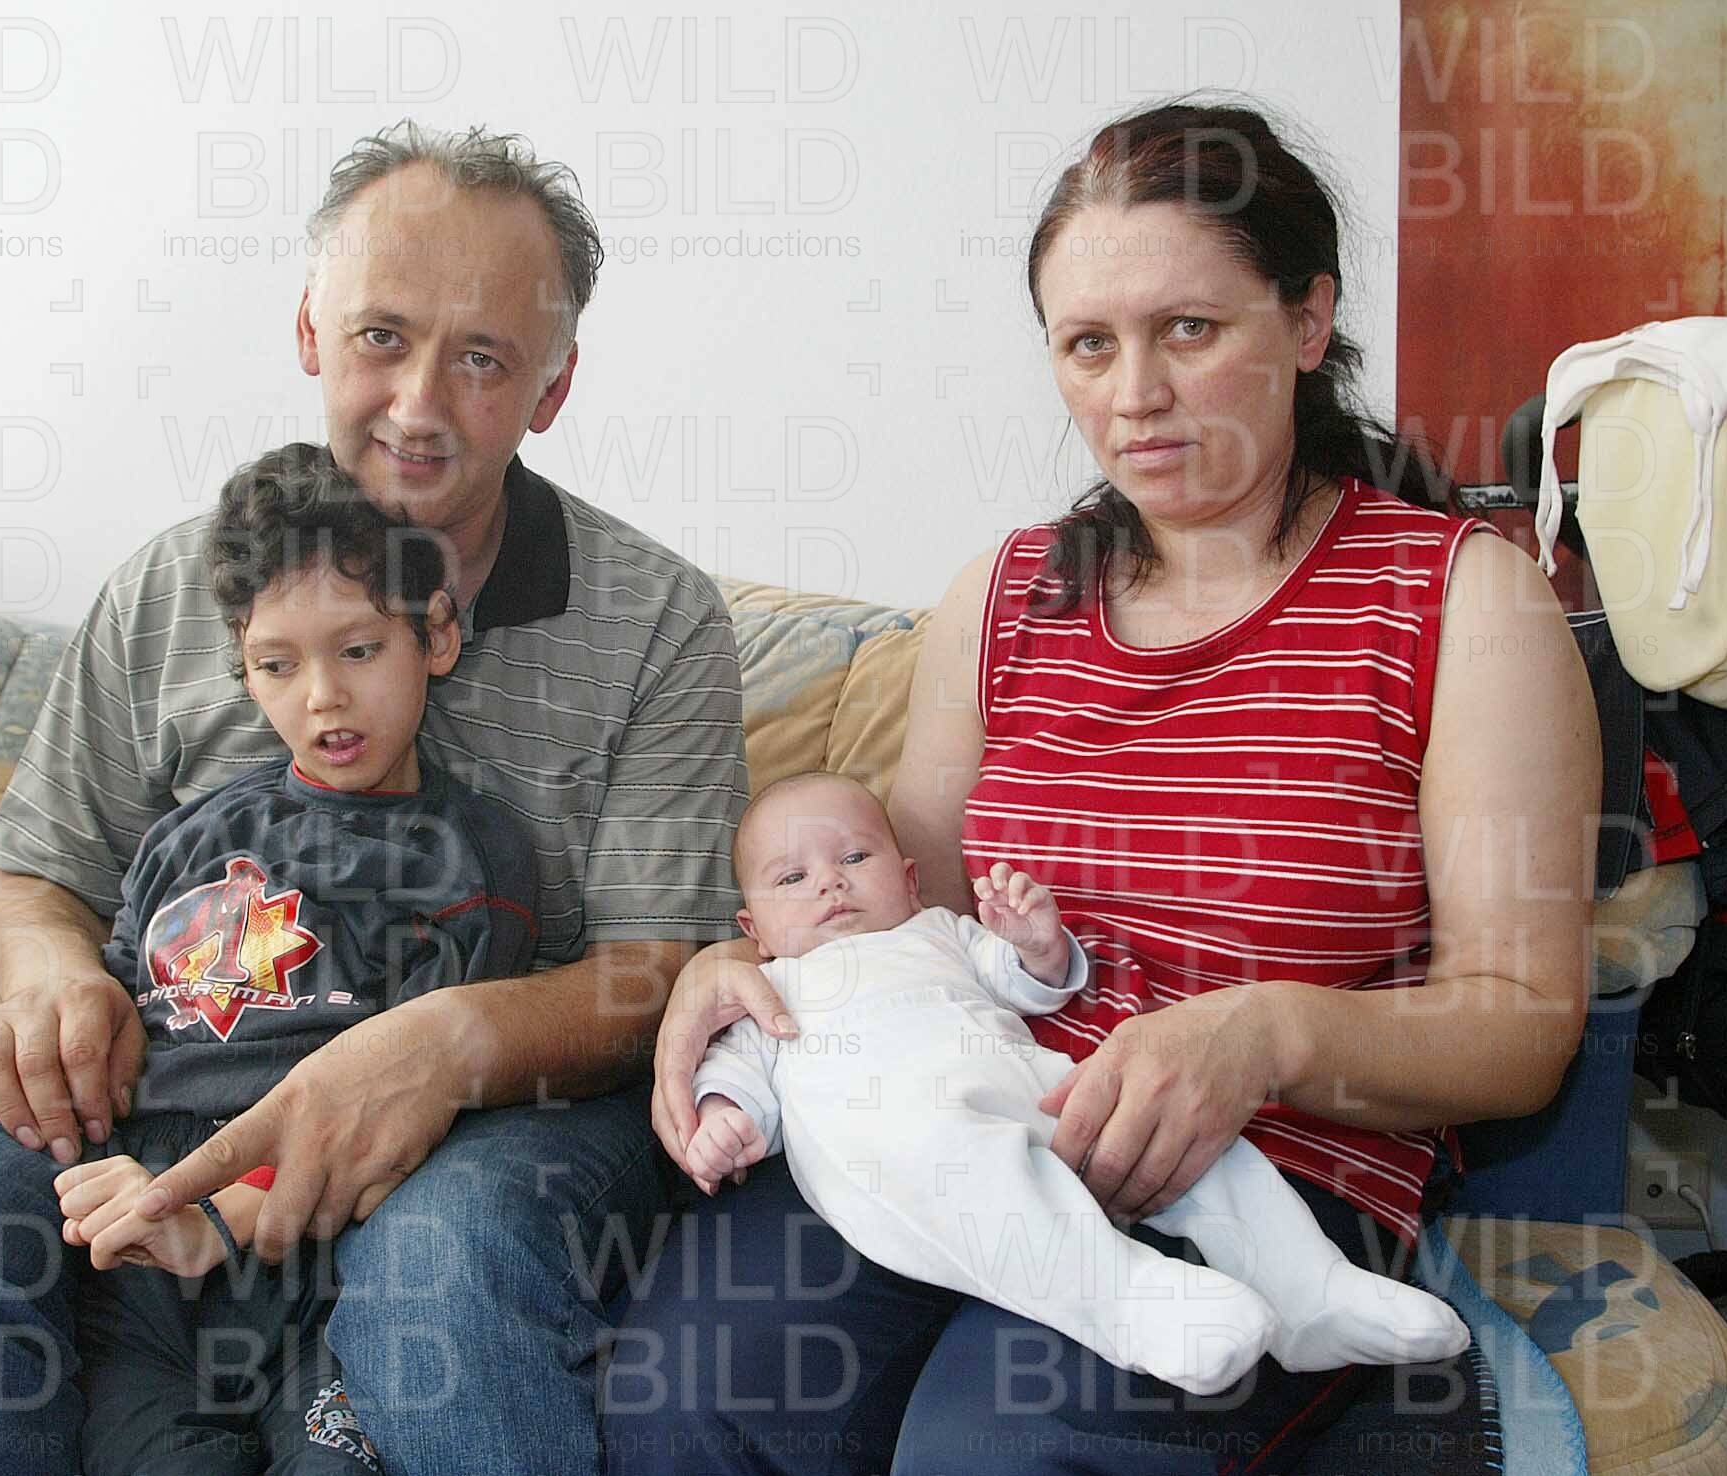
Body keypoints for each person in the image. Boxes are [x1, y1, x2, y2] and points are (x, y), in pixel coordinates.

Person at [614, 100, 1600, 1474]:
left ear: (1306, 321)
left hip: (1268, 1172)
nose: (1133, 394)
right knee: (690, 1401)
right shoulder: (1004, 596)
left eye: (1187, 329)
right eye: (1088, 344)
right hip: (961, 1119)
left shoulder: (1458, 602)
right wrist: (736, 962)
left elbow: (1520, 1023)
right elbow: (898, 896)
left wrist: (1261, 1035)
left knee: (994, 1455)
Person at [0, 122, 749, 1476]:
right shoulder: (170, 589)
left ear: (553, 386)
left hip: (508, 1119)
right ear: (307, 332)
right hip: (174, 1089)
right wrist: (57, 984)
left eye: (482, 358)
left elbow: (657, 975)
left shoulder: (657, 624)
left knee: (440, 1267)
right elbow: (40, 879)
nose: (417, 403)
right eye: (380, 337)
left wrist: (440, 1043)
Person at [0, 447, 545, 1473]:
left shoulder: (469, 860)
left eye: (359, 650)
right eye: (278, 664)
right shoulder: (190, 839)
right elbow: (62, 1057)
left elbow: (416, 1114)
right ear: (241, 665)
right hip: (140, 1276)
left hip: (316, 1270)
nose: (323, 697)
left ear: (437, 636)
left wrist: (219, 1219)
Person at [682, 772, 1468, 1399]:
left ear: (911, 880)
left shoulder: (939, 932)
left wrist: (1035, 943)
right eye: (792, 877)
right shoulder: (771, 986)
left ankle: (1308, 1288)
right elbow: (735, 1067)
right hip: (906, 1142)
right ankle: (1130, 1305)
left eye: (855, 858)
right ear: (752, 929)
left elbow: (1030, 985)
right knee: (988, 1197)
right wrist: (722, 1115)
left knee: (1184, 1129)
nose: (830, 884)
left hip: (1034, 1088)